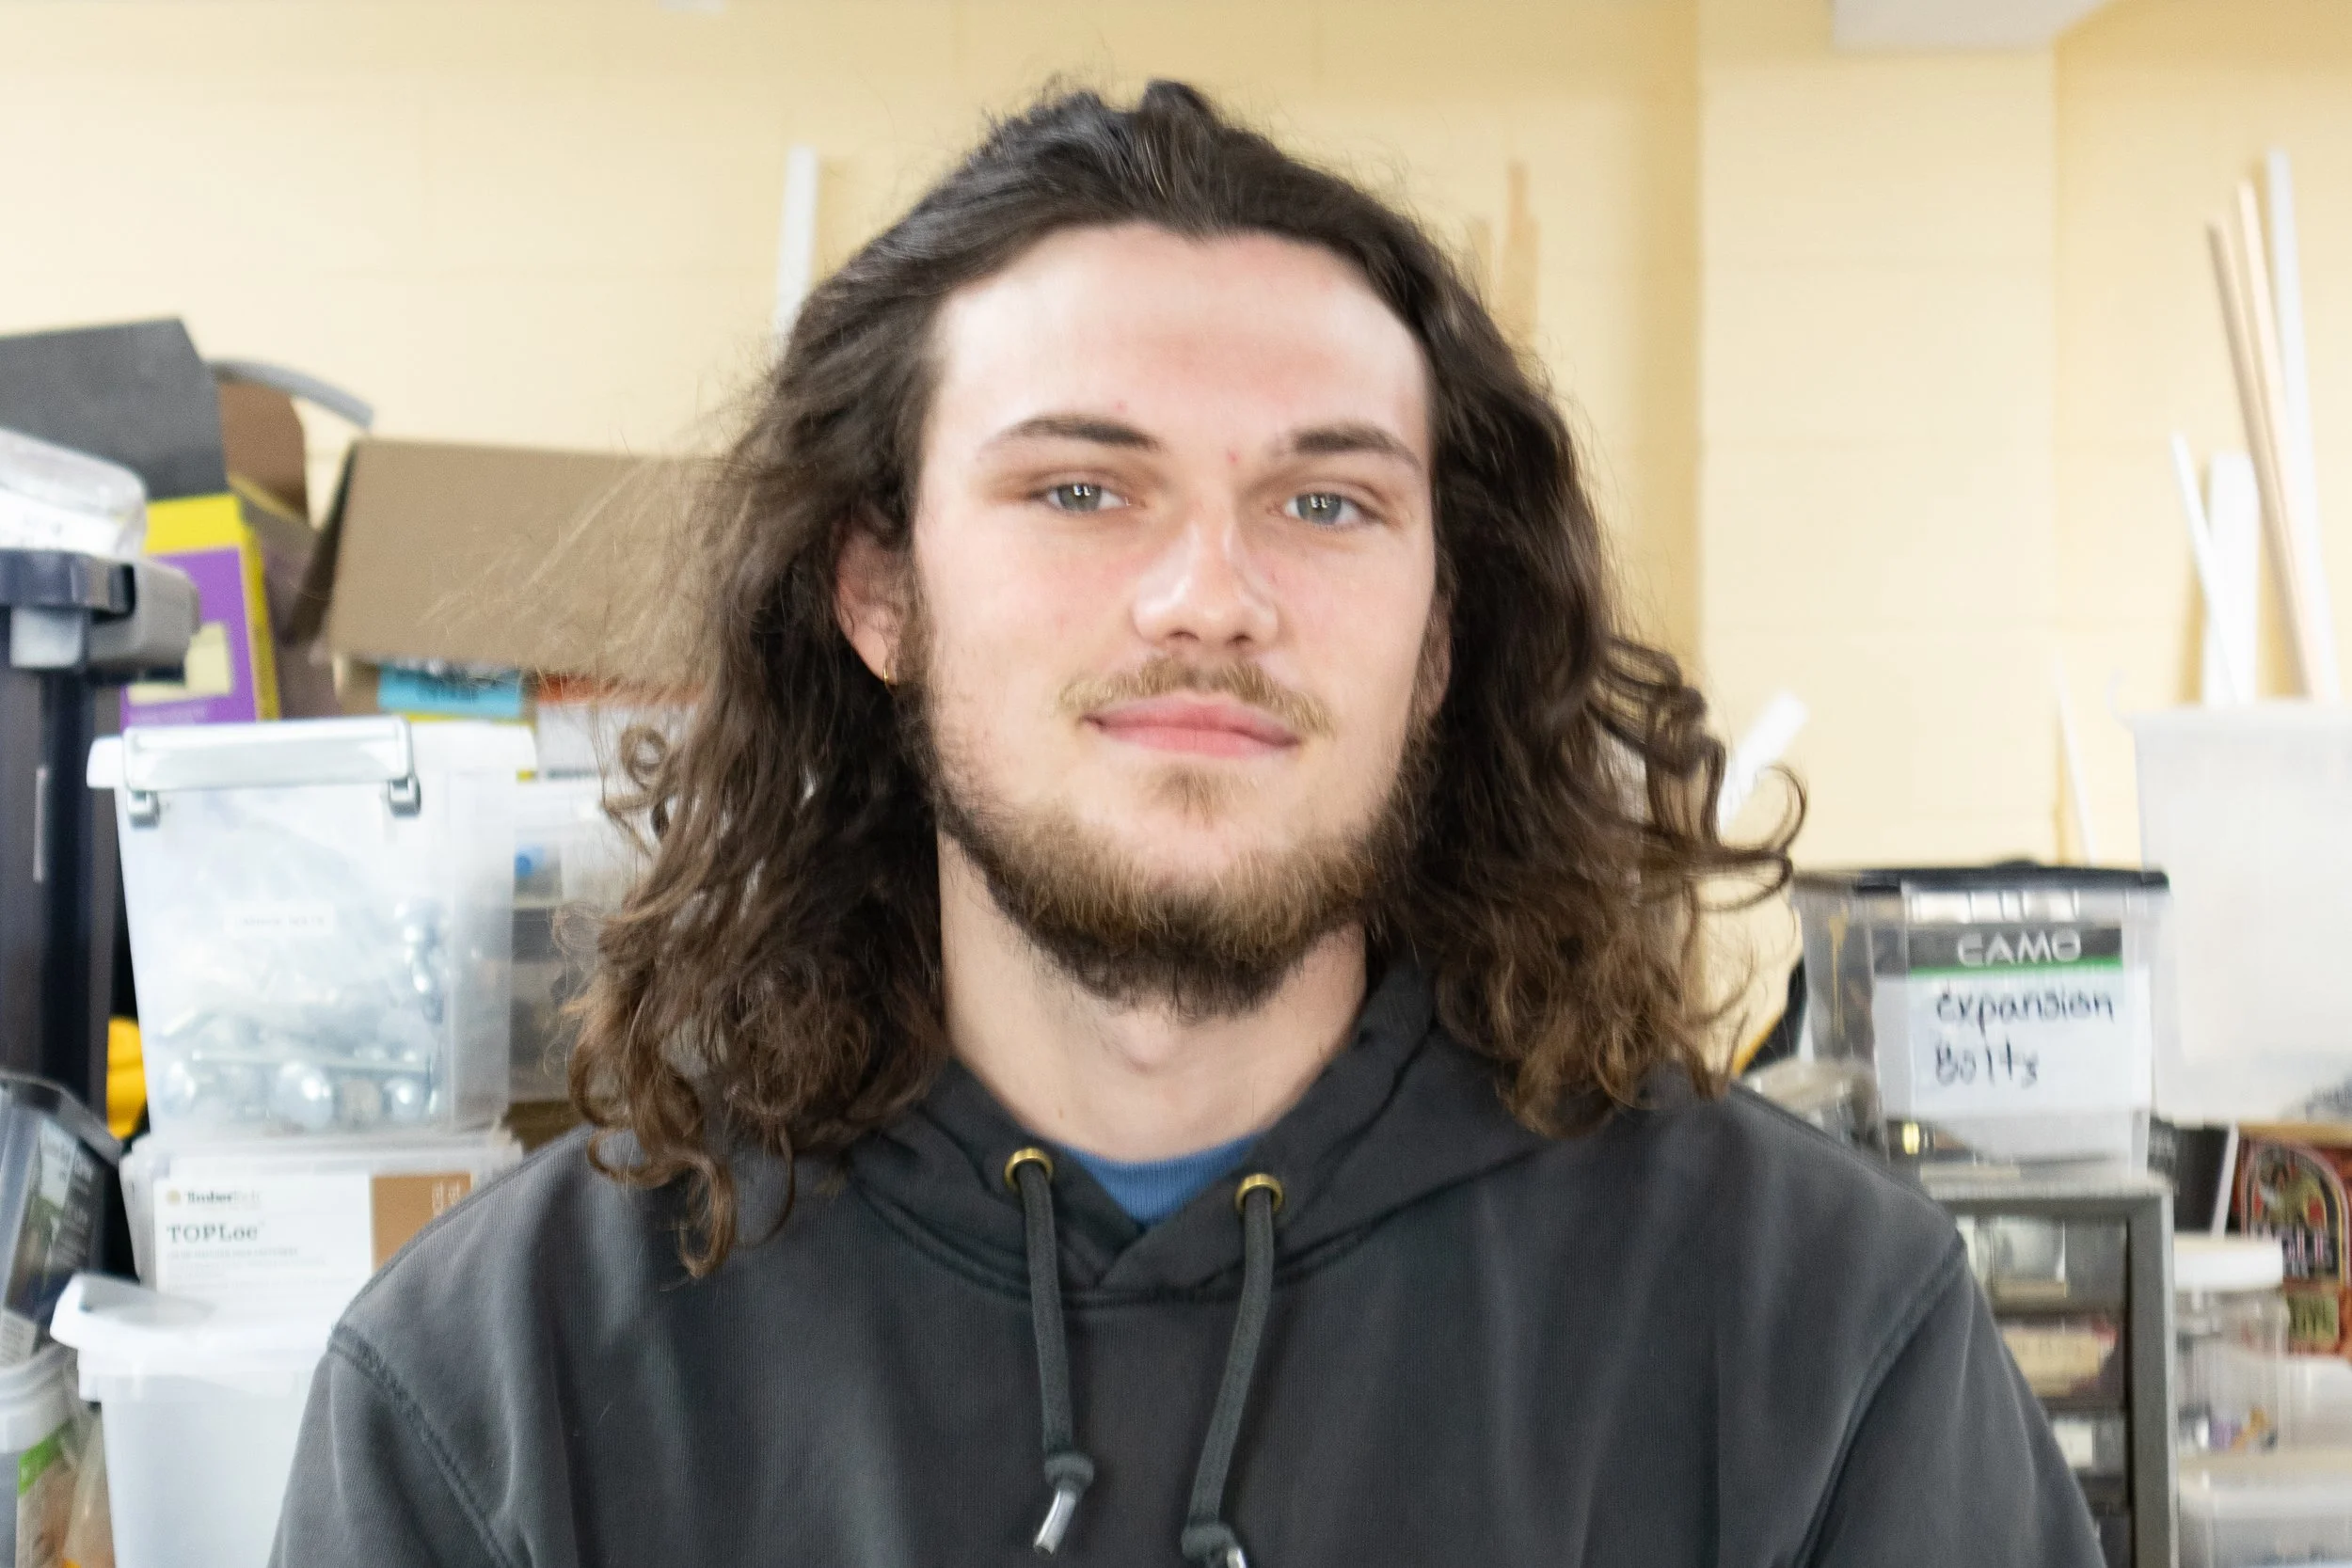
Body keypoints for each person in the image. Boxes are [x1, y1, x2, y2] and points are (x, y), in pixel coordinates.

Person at [274, 81, 2103, 1568]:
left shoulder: (1818, 1338)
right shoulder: (498, 1389)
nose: (1205, 593)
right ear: (877, 589)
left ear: (1441, 628)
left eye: (1321, 500)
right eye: (1081, 485)